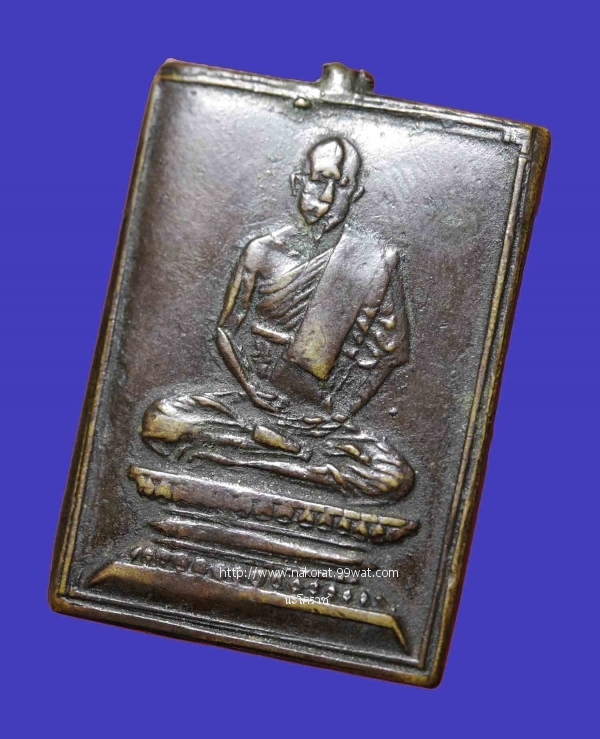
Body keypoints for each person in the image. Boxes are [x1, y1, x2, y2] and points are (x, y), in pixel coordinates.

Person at [142, 136, 414, 500]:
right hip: (250, 405)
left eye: (342, 185)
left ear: (356, 193)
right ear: (298, 182)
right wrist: (251, 388)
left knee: (393, 477)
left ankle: (238, 458)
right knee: (162, 419)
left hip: (318, 420)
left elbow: (390, 352)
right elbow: (225, 329)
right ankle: (290, 460)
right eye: (319, 180)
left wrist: (337, 414)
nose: (328, 196)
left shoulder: (374, 261)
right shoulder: (262, 251)